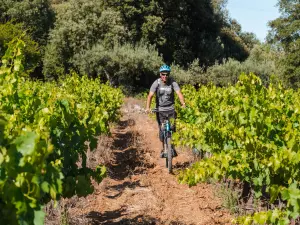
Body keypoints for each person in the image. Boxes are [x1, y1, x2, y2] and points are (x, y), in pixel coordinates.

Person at [146, 64, 186, 158]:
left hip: (171, 109)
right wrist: (147, 107)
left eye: (167, 74)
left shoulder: (173, 83)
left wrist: (183, 104)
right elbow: (150, 95)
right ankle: (163, 148)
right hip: (160, 111)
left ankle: (173, 147)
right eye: (163, 74)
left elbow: (179, 93)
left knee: (173, 129)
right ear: (160, 74)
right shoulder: (157, 83)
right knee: (161, 130)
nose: (165, 76)